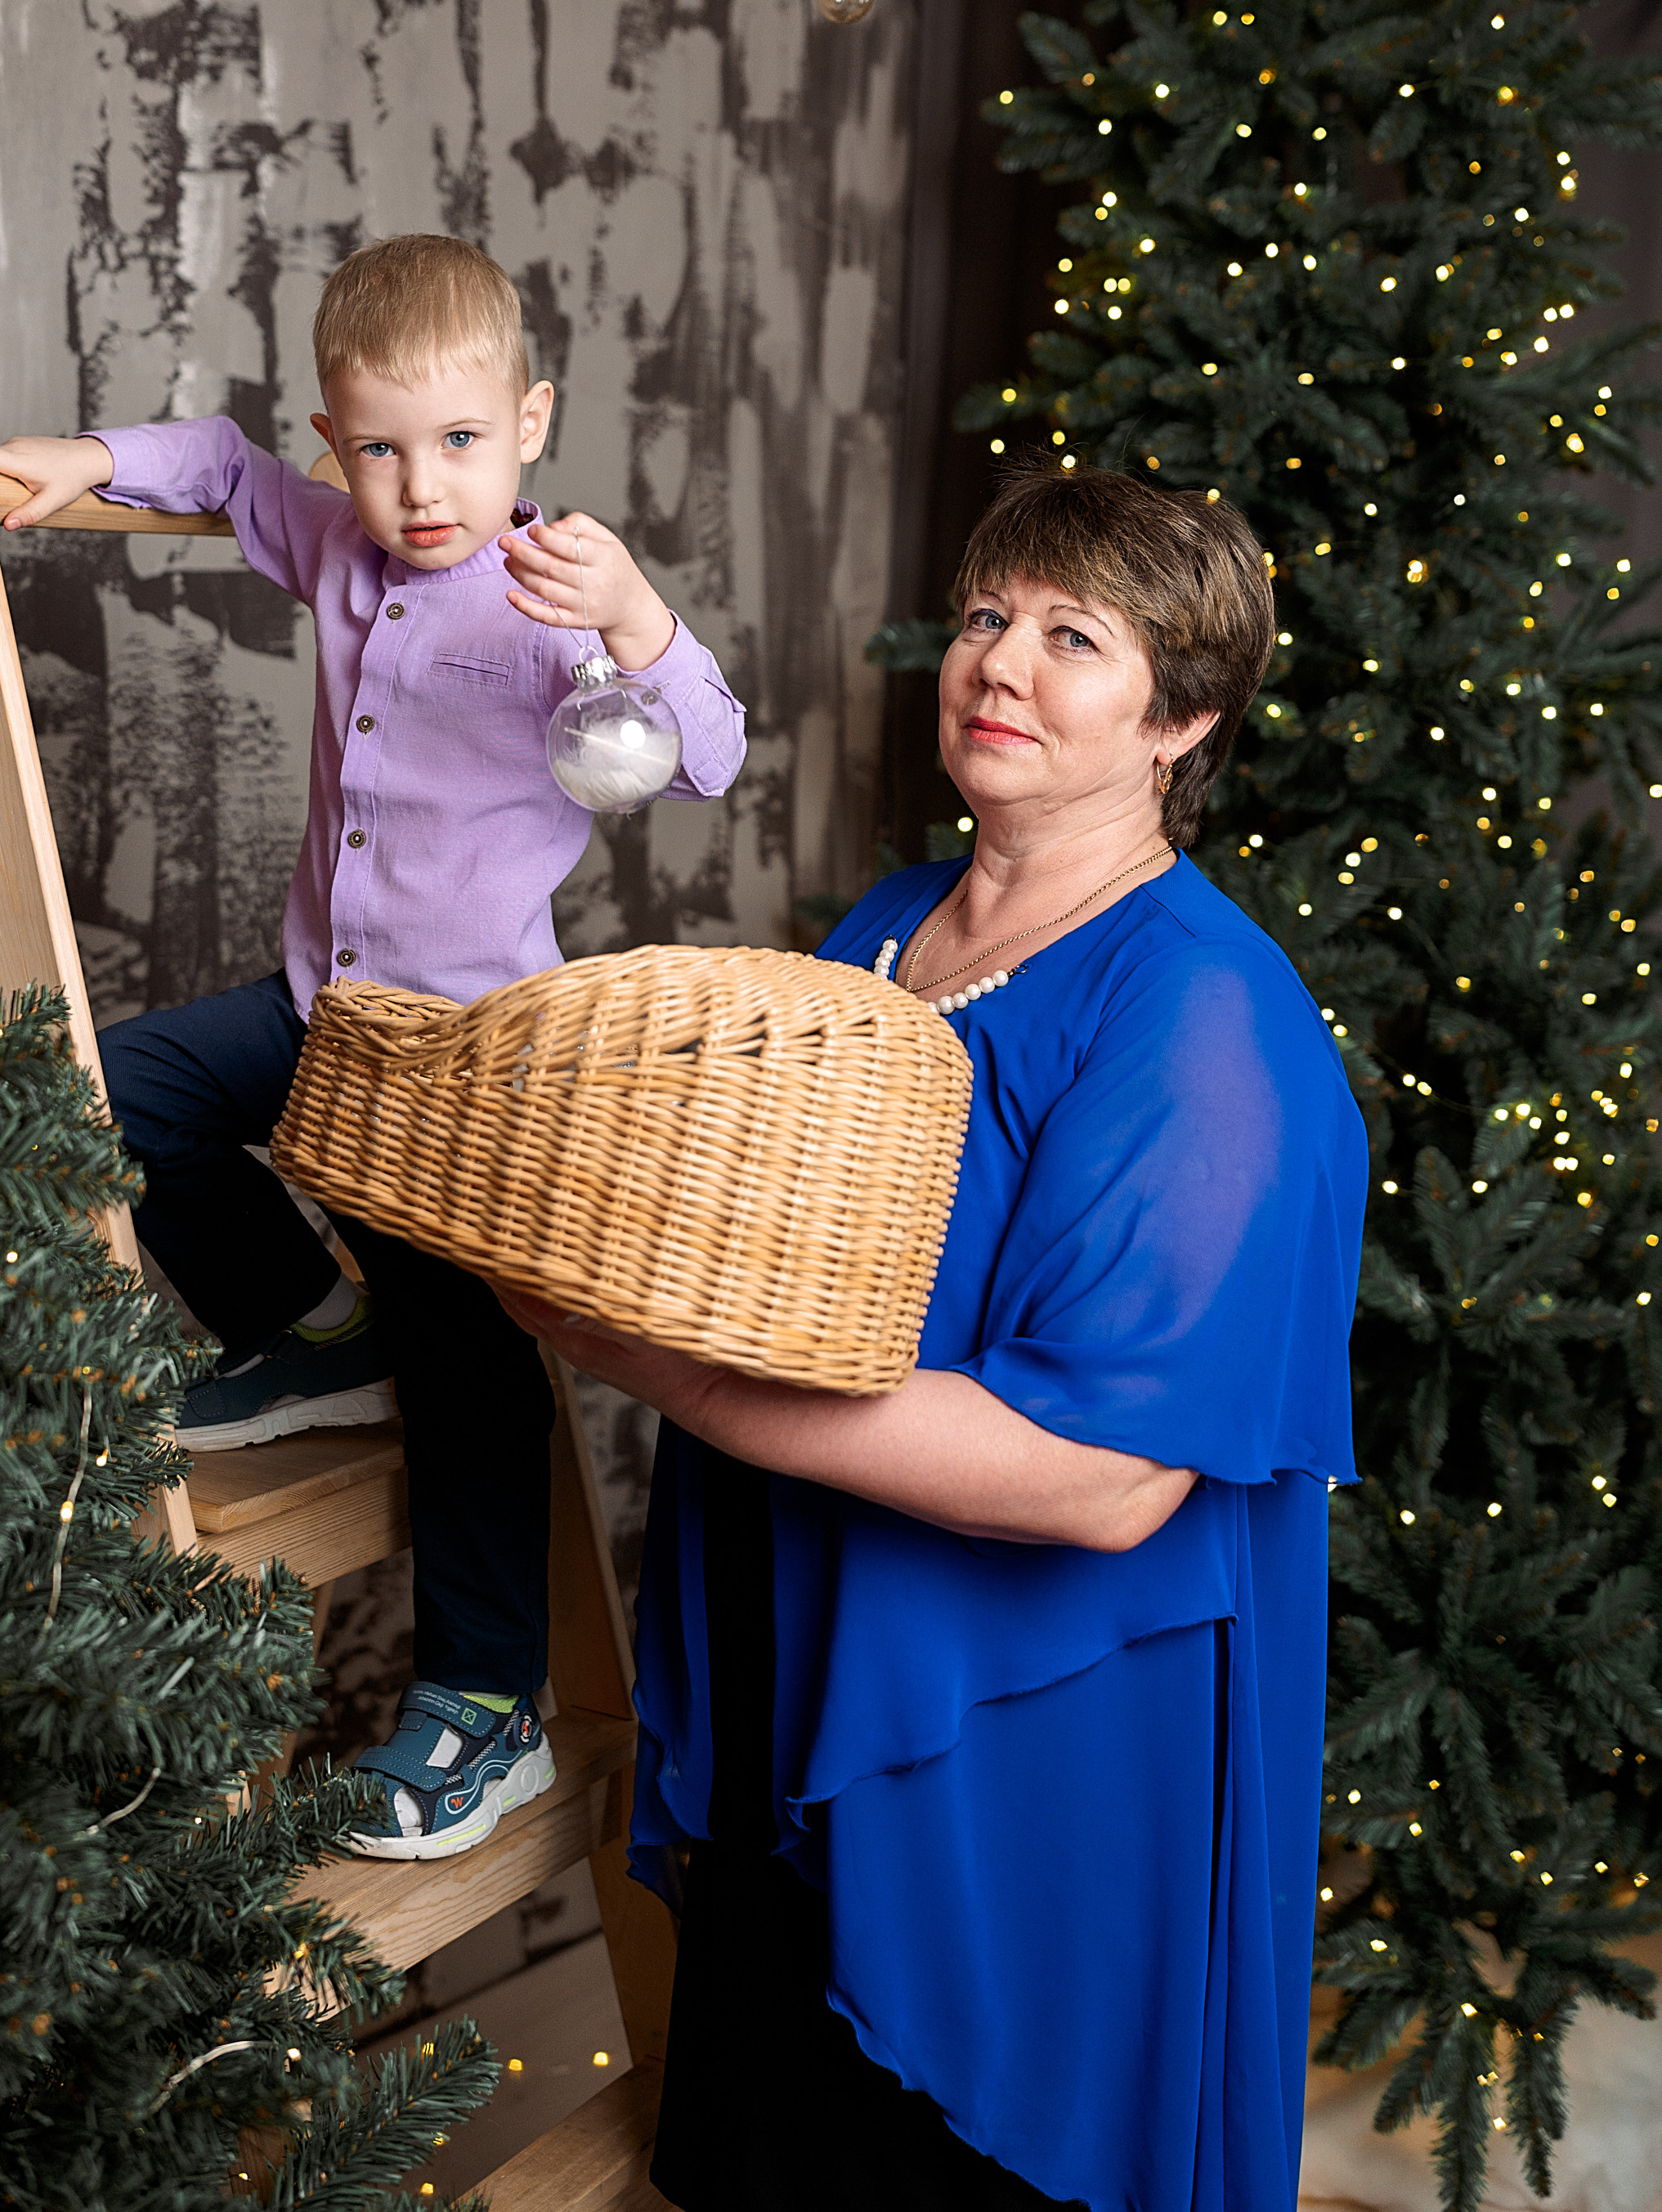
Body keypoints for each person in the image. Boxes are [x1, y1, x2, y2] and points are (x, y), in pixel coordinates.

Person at [506, 461, 1366, 2212]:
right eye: (988, 617)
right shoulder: (887, 926)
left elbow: (1102, 1478)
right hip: (790, 1649)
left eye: (1074, 637)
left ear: (1180, 717)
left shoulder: (1206, 1014)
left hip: (1019, 1734)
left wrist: (651, 1364)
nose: (1000, 662)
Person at [0, 234, 746, 1860]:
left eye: (458, 441)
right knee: (107, 1097)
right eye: (380, 447)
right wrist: (81, 462)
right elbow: (218, 464)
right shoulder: (338, 545)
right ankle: (308, 1316)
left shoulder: (548, 597)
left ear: (527, 420)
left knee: (469, 1368)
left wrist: (632, 614)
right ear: (342, 448)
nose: (421, 484)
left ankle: (489, 1701)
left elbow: (707, 757)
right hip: (324, 1011)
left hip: (467, 1063)